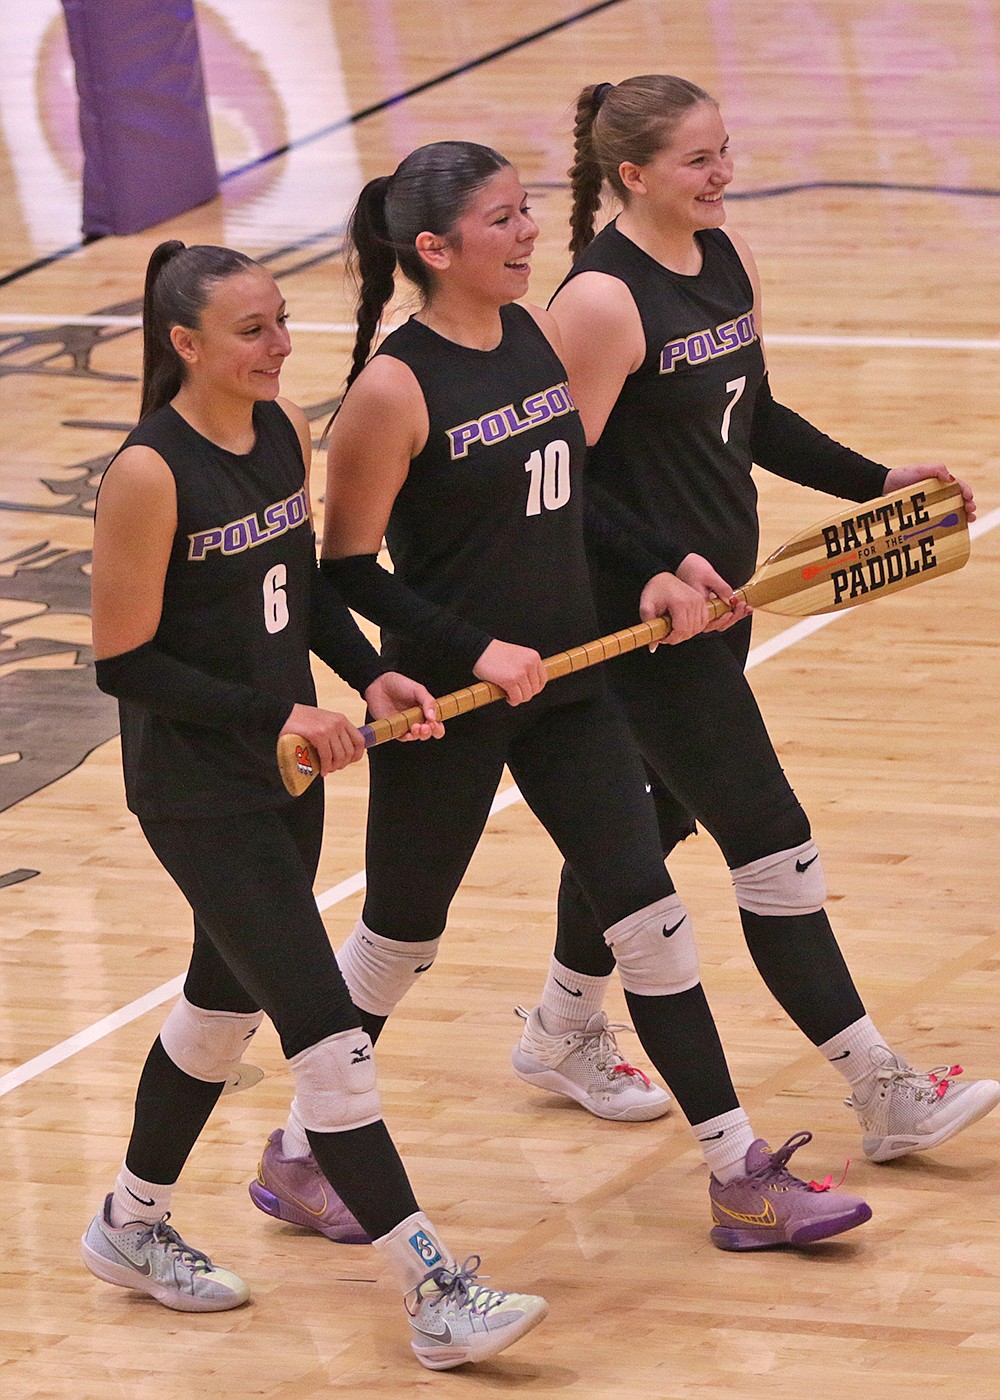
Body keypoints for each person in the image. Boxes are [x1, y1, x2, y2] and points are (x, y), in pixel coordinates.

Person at [251, 140, 873, 1255]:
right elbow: (342, 569)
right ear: (433, 248)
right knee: (399, 939)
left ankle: (738, 1173)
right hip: (450, 699)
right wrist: (472, 648)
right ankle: (299, 1148)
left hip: (575, 682)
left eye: (527, 209)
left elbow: (571, 498)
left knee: (653, 921)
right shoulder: (391, 387)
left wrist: (650, 564)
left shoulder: (533, 334)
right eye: (504, 219)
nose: (532, 232)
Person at [508, 74, 1000, 1165]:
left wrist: (872, 479)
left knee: (646, 824)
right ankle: (882, 1088)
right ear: (633, 175)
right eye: (698, 159)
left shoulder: (725, 258)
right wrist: (653, 574)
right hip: (637, 626)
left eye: (725, 150)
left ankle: (559, 1027)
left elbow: (754, 413)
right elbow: (560, 486)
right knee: (769, 837)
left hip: (720, 604)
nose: (722, 172)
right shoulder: (596, 302)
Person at [82, 239, 549, 1372]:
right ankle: (433, 1286)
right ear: (183, 344)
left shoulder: (284, 430)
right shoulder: (150, 472)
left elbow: (299, 588)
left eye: (282, 321)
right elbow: (123, 663)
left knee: (220, 1000)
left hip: (283, 772)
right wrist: (272, 715)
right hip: (199, 787)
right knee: (329, 1039)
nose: (278, 345)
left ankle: (128, 1221)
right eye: (251, 331)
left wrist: (363, 674)